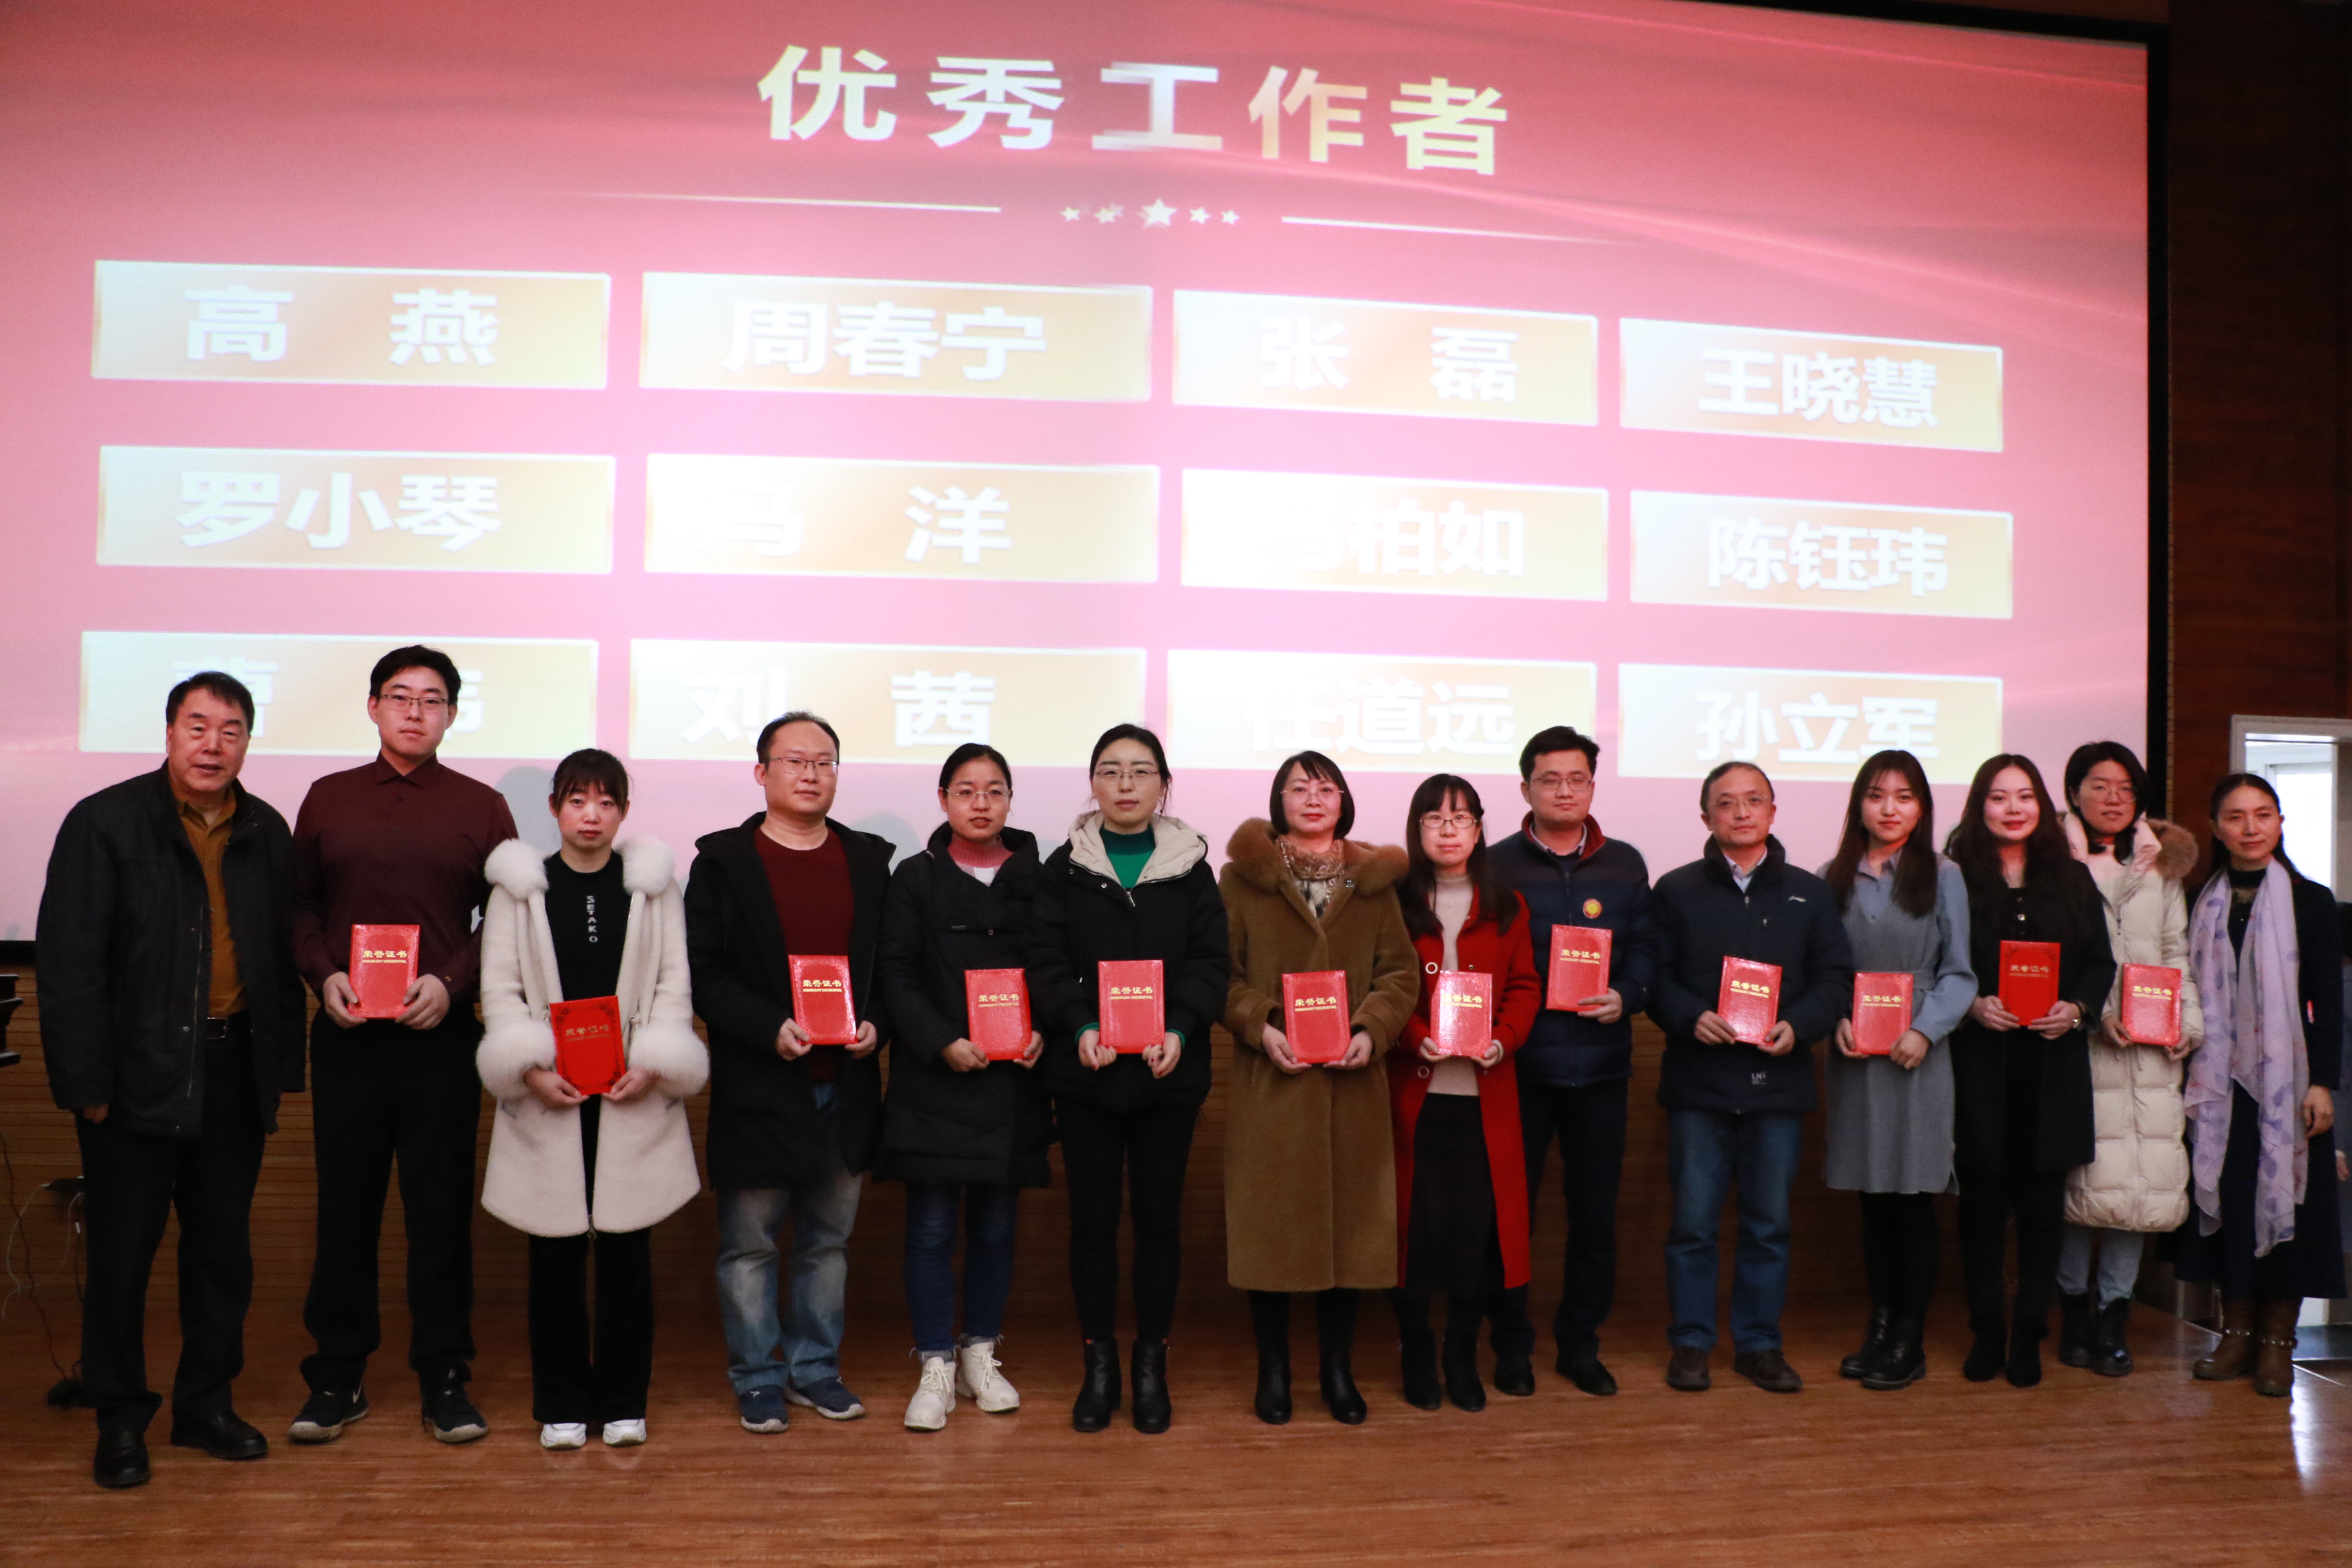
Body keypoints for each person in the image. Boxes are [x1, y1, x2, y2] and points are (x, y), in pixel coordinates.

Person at [37, 673, 305, 1489]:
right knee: (122, 1259)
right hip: (132, 1079)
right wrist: (85, 1080)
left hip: (232, 1072)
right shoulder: (105, 822)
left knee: (221, 1255)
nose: (213, 745)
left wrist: (277, 1071)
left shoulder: (267, 829)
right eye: (198, 726)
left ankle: (205, 1405)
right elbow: (70, 963)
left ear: (248, 742)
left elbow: (278, 960)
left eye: (231, 730)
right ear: (168, 732)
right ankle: (120, 1419)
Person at [288, 646, 518, 1446]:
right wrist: (323, 975)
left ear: (451, 713)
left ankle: (444, 1375)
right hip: (348, 1034)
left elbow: (507, 917)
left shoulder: (483, 806)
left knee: (439, 1212)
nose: (415, 711)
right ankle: (337, 1374)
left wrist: (452, 982)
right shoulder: (328, 796)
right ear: (373, 706)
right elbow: (300, 904)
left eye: (432, 699)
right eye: (399, 696)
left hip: (440, 1038)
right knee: (344, 1209)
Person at [476, 750, 707, 1450]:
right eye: (577, 801)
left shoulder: (653, 888)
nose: (591, 815)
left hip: (629, 1089)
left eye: (606, 802)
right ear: (554, 808)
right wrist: (530, 1068)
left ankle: (625, 1401)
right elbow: (500, 989)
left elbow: (672, 984)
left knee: (627, 1256)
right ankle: (562, 1404)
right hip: (550, 1092)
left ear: (624, 812)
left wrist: (653, 1061)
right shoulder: (521, 888)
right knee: (552, 1257)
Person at [685, 712, 892, 1431]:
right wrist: (766, 1025)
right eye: (795, 760)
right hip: (760, 1081)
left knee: (826, 1242)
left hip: (848, 1081)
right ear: (761, 772)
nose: (811, 773)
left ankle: (814, 1368)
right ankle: (756, 1376)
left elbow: (890, 967)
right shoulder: (724, 863)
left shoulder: (868, 861)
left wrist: (878, 1023)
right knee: (749, 1245)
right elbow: (704, 975)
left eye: (824, 761)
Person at [1027, 725, 1228, 1435]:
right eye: (1110, 770)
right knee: (1091, 1225)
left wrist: (1181, 1028)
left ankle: (1151, 1366)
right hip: (1088, 1076)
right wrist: (1080, 1024)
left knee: (1159, 1225)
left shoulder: (1192, 866)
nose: (1125, 784)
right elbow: (1045, 961)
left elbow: (1211, 963)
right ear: (1092, 783)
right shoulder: (1064, 867)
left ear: (1163, 785)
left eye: (1141, 771)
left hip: (1168, 1076)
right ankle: (1099, 1366)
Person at [1220, 752, 1420, 1427]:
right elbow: (1222, 974)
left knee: (1352, 1232)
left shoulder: (1374, 880)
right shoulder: (1242, 879)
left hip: (1352, 1085)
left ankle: (1338, 1369)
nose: (1313, 797)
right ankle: (1273, 1369)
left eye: (1326, 787)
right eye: (1298, 787)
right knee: (1271, 1232)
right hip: (1272, 1084)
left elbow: (1400, 974)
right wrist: (1261, 1023)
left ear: (1344, 800)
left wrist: (1372, 1029)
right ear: (1278, 799)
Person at [1648, 761, 1854, 1394]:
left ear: (1772, 810)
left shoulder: (1809, 892)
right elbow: (1654, 977)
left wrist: (1801, 1025)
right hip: (1700, 1083)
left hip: (1778, 1083)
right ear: (1705, 815)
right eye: (1726, 802)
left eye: (1753, 800)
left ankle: (1759, 1345)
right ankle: (1691, 1344)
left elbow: (1836, 978)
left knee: (1769, 1225)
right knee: (1692, 1225)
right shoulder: (1676, 889)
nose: (1741, 812)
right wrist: (1691, 1016)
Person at [874, 743, 1049, 1432]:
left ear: (1010, 800)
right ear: (943, 798)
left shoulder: (1039, 877)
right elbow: (896, 971)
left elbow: (1055, 967)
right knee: (931, 1227)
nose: (981, 803)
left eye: (995, 790)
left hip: (1013, 1081)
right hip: (934, 1078)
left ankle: (980, 1352)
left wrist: (1043, 1030)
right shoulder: (914, 878)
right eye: (967, 790)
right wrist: (940, 1039)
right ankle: (936, 1363)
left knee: (997, 1226)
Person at [1488, 725, 1656, 1396]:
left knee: (1594, 1218)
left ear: (1592, 784)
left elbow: (1646, 949)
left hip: (1601, 1070)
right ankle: (1510, 1347)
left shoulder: (1626, 863)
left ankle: (1581, 1345)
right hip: (1519, 1070)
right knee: (1512, 1217)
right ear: (1525, 787)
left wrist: (1628, 994)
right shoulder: (1495, 865)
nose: (1564, 790)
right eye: (1550, 779)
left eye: (1577, 778)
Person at [1944, 753, 2112, 1389]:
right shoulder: (1956, 878)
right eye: (1998, 796)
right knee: (1982, 1205)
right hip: (1981, 1061)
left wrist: (2077, 1009)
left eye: (2024, 796)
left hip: (2052, 1062)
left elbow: (2100, 963)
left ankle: (2030, 1331)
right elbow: (1940, 961)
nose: (2012, 808)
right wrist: (1971, 1003)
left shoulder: (2071, 877)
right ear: (1979, 807)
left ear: (2042, 805)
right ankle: (1987, 1327)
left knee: (2043, 1207)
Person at [2177, 773, 2342, 1396]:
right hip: (2218, 1084)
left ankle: (2277, 1342)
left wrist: (2322, 1083)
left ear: (2279, 823)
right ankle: (2235, 1333)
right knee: (2230, 1206)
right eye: (2236, 817)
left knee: (2290, 1205)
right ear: (2216, 829)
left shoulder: (2311, 901)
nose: (2251, 828)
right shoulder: (2198, 900)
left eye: (2263, 814)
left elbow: (2328, 1002)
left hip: (2287, 1085)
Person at [1819, 750, 1975, 1391]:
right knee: (1873, 1198)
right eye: (1877, 795)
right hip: (1856, 1054)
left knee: (1911, 1199)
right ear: (1859, 803)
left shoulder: (1944, 874)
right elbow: (1823, 968)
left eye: (1904, 796)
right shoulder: (1832, 875)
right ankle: (1880, 1325)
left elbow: (1960, 973)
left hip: (1917, 1055)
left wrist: (1925, 1029)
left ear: (1922, 808)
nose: (1889, 808)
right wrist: (1835, 1017)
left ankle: (1908, 1337)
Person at [1386, 775, 1541, 1412]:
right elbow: (1380, 984)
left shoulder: (1508, 904)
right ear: (1416, 829)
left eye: (1461, 818)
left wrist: (1502, 1040)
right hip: (1414, 1095)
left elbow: (1525, 986)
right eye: (1434, 818)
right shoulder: (1393, 902)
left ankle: (1461, 1351)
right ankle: (1417, 1349)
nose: (1448, 829)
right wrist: (1412, 1035)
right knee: (1415, 1232)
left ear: (1479, 830)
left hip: (1484, 1095)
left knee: (1477, 1235)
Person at [2055, 741, 2202, 1377]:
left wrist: (2187, 1023)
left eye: (2125, 788)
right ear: (2074, 793)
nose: (2113, 798)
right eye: (2099, 785)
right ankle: (2072, 1307)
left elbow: (2177, 953)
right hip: (2078, 1045)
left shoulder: (2160, 865)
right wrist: (2094, 1011)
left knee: (2137, 1188)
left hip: (2150, 1050)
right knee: (2075, 1181)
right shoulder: (2053, 860)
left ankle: (2114, 1312)